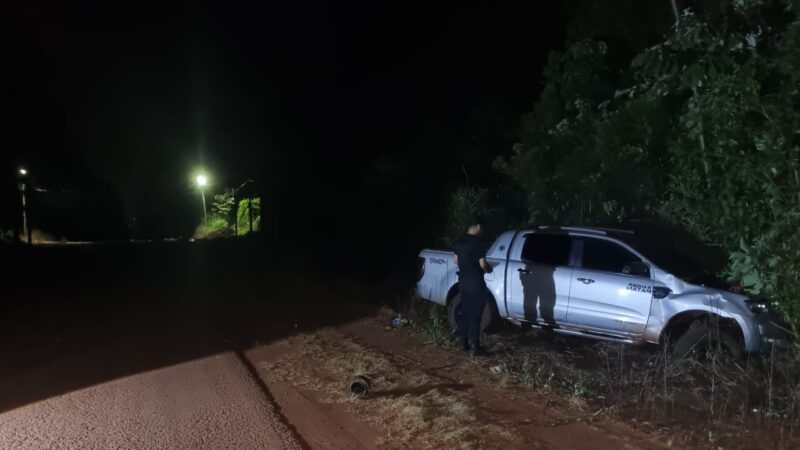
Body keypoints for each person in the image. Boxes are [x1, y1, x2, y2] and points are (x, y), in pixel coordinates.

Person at [453, 216, 493, 357]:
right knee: (475, 315)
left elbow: (456, 260)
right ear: (477, 226)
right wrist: (489, 269)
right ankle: (475, 347)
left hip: (463, 282)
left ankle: (462, 343)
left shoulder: (459, 240)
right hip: (476, 284)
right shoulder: (477, 243)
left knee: (465, 312)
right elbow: (483, 264)